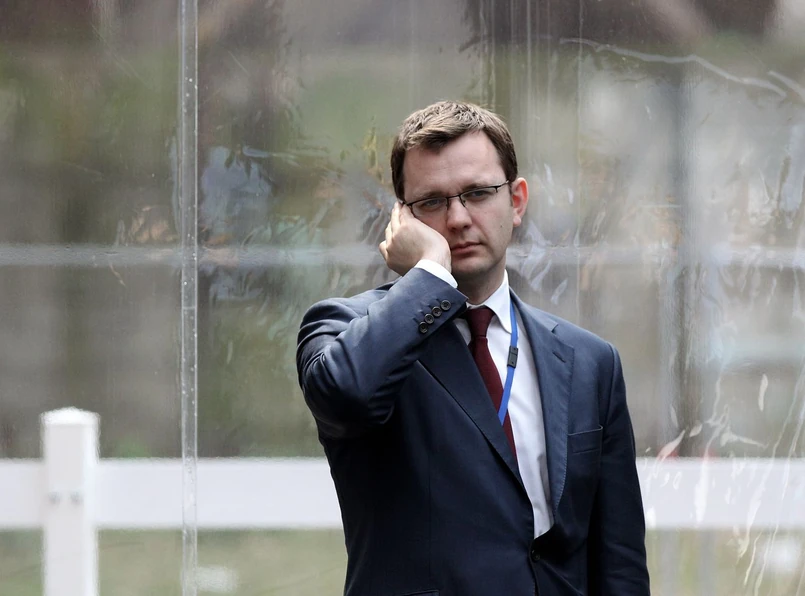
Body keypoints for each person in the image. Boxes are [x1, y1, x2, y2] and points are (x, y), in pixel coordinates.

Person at [296, 101, 650, 596]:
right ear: (402, 220)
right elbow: (347, 396)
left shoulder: (590, 361)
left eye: (478, 193)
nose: (458, 218)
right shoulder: (348, 331)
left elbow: (620, 566)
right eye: (432, 202)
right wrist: (430, 273)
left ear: (517, 201)